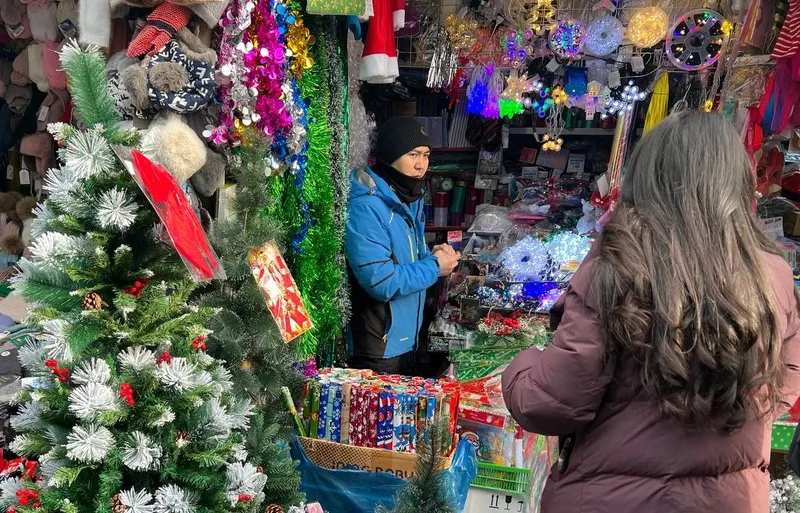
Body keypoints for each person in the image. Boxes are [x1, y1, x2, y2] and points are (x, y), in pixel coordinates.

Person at [502, 110, 800, 513]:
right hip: (728, 499)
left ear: (646, 179)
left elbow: (550, 402)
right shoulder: (774, 276)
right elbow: (783, 386)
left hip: (611, 499)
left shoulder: (618, 264)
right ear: (736, 183)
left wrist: (520, 367)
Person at [346, 117, 460, 374]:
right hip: (377, 348)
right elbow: (381, 281)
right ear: (390, 154)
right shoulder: (366, 207)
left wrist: (431, 256)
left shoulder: (405, 197)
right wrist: (434, 267)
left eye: (426, 155)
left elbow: (402, 259)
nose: (421, 165)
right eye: (413, 154)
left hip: (404, 339)